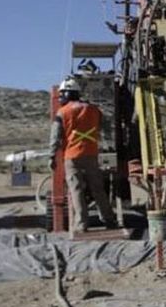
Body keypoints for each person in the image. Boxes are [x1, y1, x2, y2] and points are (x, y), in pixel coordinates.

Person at [49, 77, 118, 232]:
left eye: (62, 94)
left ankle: (81, 225)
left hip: (71, 156)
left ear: (67, 93)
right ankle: (109, 220)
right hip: (91, 154)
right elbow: (106, 128)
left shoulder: (62, 112)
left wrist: (52, 156)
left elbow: (55, 136)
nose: (61, 97)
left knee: (76, 190)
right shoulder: (94, 109)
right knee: (98, 189)